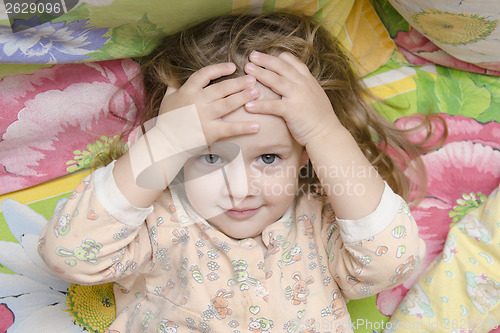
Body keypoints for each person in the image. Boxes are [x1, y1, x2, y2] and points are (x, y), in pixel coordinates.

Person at [39, 11, 428, 332]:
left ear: (307, 154)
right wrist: (165, 142)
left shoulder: (319, 220)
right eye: (210, 158)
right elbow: (69, 254)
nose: (239, 189)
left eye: (269, 158)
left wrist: (326, 132)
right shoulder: (159, 219)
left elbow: (394, 259)